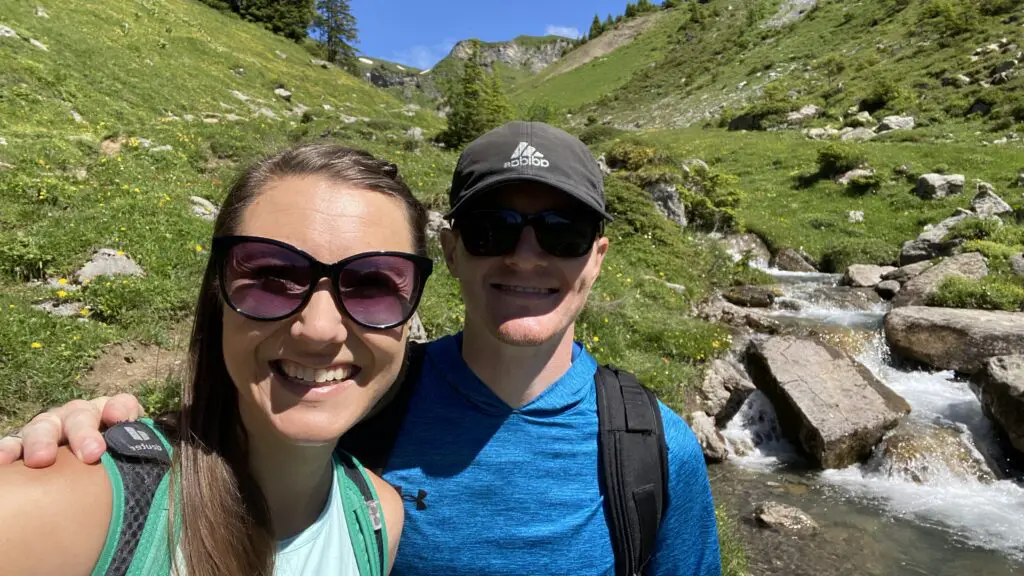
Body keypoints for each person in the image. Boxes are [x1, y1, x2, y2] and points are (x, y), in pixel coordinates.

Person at [2, 122, 722, 575]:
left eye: (560, 234)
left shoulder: (655, 451)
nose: (527, 258)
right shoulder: (365, 397)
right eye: (493, 230)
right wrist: (99, 450)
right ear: (452, 251)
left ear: (595, 258)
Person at [0, 144, 440, 575]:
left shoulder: (378, 519)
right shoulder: (59, 511)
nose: (320, 328)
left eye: (373, 285)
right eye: (272, 276)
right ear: (218, 296)